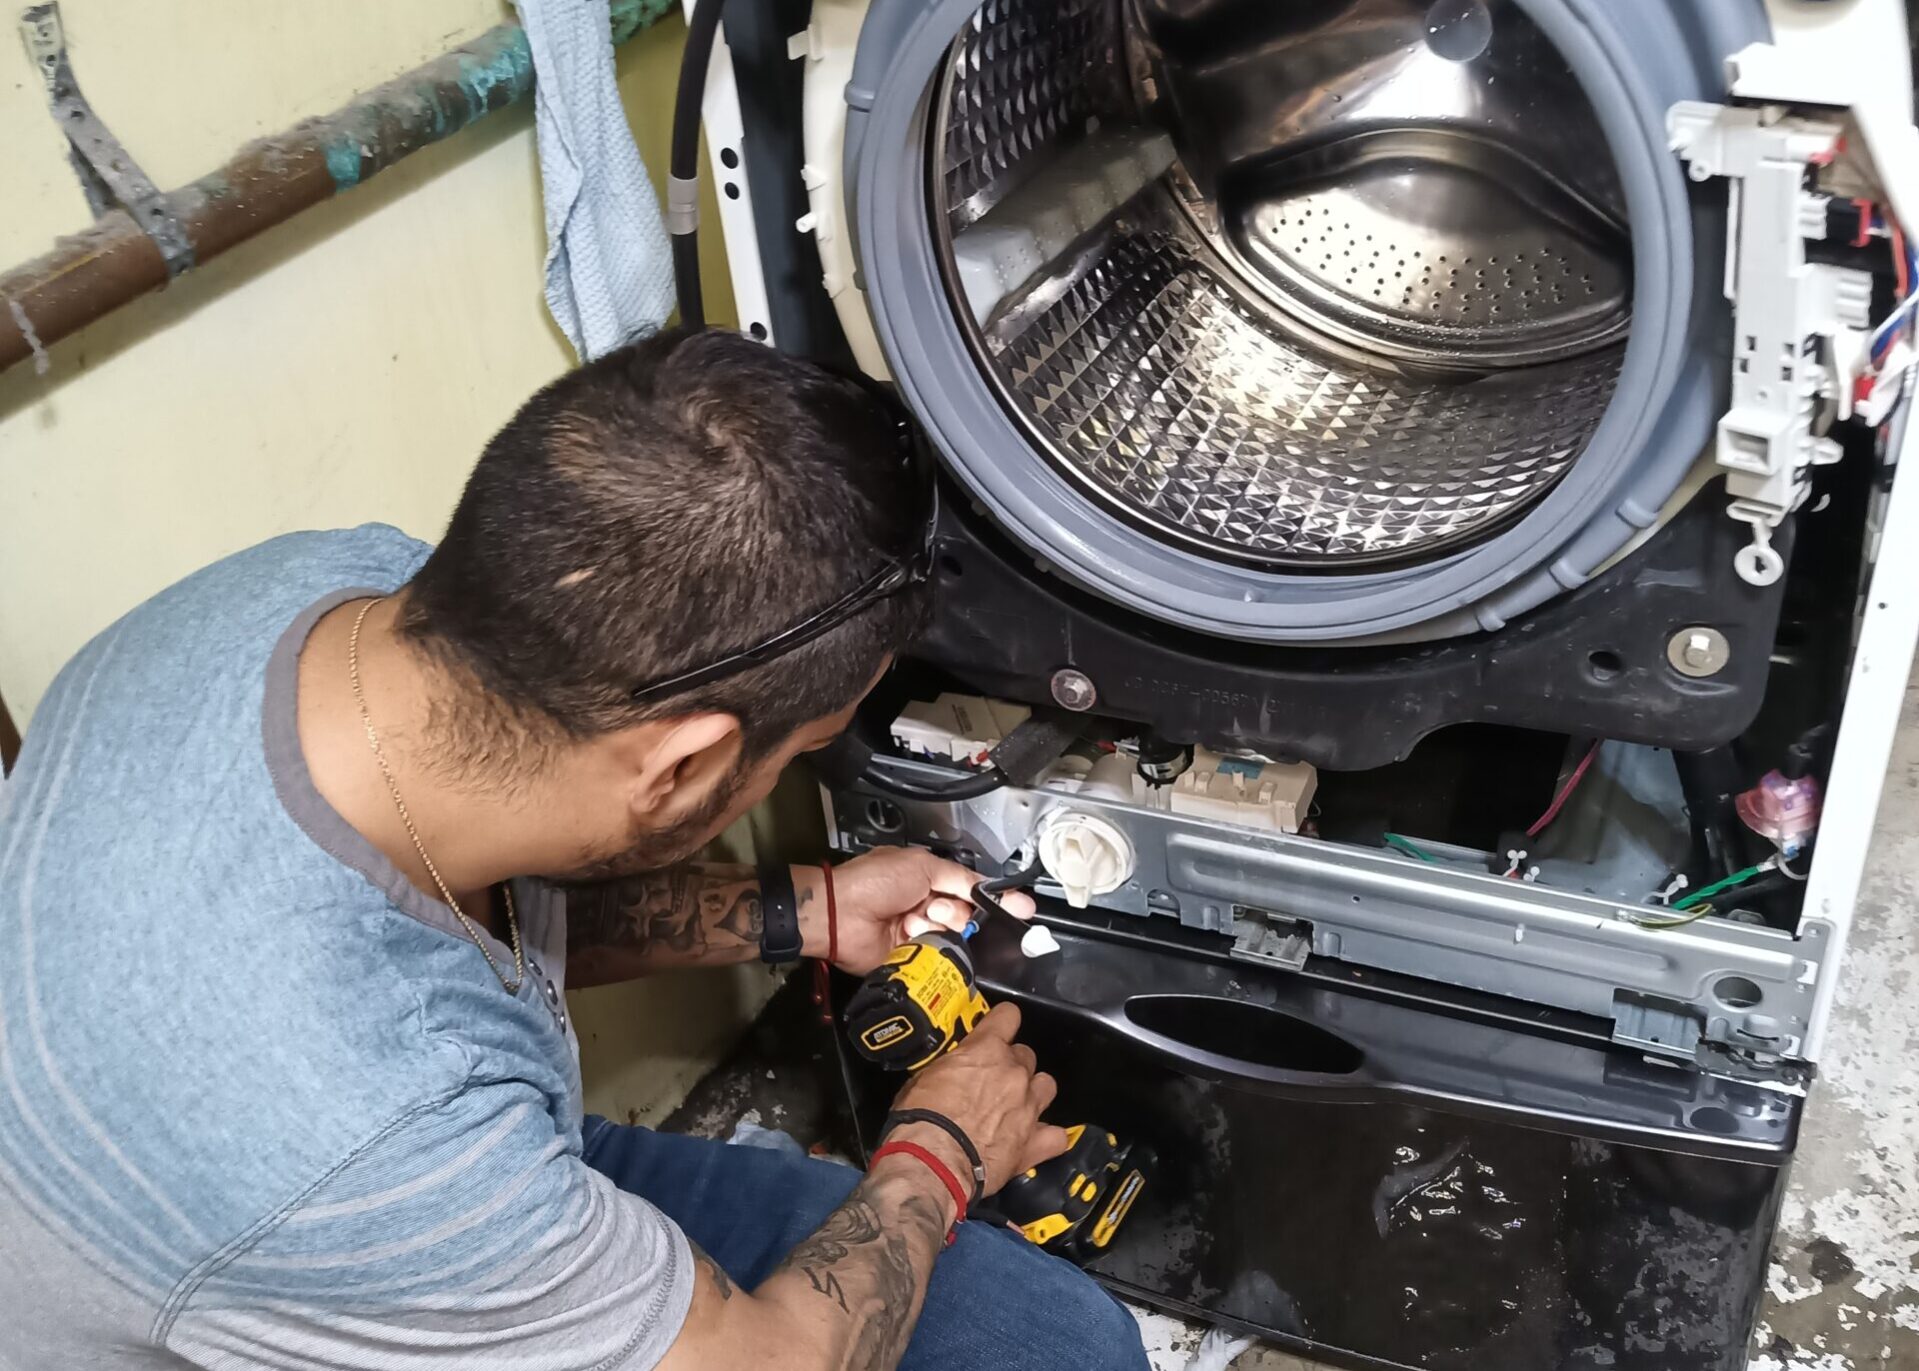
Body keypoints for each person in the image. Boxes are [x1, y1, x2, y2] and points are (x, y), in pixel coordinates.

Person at [0, 329, 1150, 1370]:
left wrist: (803, 909)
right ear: (685, 766)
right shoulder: (372, 1138)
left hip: (356, 1196)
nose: (793, 772)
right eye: (797, 752)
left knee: (1049, 1341)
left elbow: (458, 913)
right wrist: (940, 1152)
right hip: (317, 1272)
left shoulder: (317, 592)